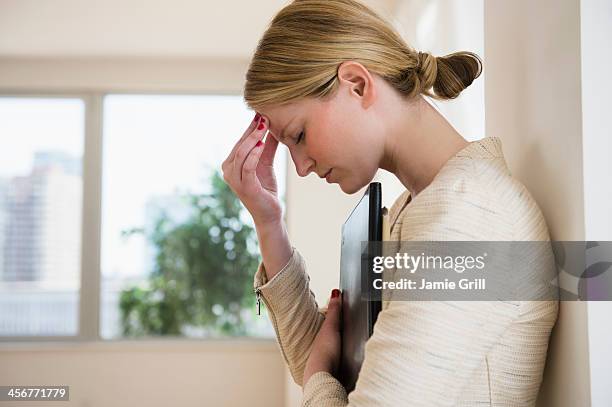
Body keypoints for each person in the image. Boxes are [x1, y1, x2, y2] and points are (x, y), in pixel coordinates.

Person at [221, 0, 559, 405]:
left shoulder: (468, 217)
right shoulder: (410, 211)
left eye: (298, 135)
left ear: (358, 85)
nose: (302, 165)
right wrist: (268, 221)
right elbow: (326, 365)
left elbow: (322, 378)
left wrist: (318, 379)